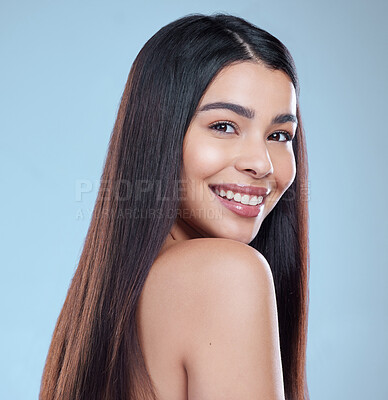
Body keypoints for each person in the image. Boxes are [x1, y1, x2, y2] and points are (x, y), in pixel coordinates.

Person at [40, 12, 310, 400]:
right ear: (160, 133)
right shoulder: (227, 275)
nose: (262, 163)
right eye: (223, 126)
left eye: (280, 134)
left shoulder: (101, 309)